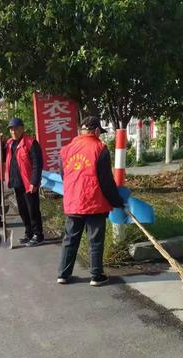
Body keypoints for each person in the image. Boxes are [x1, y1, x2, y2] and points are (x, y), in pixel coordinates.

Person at [57, 116, 125, 287]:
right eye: (99, 133)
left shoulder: (66, 150)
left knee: (70, 239)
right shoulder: (100, 148)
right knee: (95, 240)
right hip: (94, 202)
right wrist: (117, 201)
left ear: (81, 131)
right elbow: (106, 181)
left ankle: (63, 274)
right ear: (95, 131)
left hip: (73, 202)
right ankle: (96, 276)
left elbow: (63, 175)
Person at [6, 117, 44, 247]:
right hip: (17, 182)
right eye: (11, 129)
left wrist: (34, 181)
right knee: (22, 210)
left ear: (22, 128)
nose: (13, 131)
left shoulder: (31, 142)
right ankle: (28, 233)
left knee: (32, 209)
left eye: (15, 128)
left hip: (28, 183)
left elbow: (37, 164)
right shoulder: (10, 143)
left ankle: (38, 234)